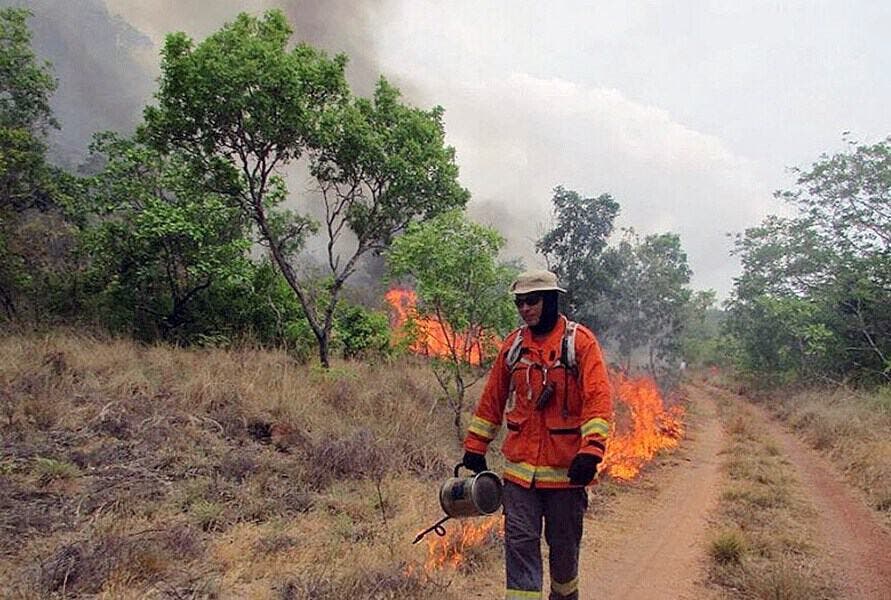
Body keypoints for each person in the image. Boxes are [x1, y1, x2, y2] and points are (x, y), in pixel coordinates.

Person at [462, 270, 612, 600]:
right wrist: (475, 446)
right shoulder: (514, 346)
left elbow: (598, 400)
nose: (525, 308)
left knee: (563, 554)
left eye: (532, 301)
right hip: (518, 477)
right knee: (519, 547)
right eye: (519, 302)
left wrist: (592, 451)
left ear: (551, 300)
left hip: (565, 478)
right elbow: (493, 398)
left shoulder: (580, 343)